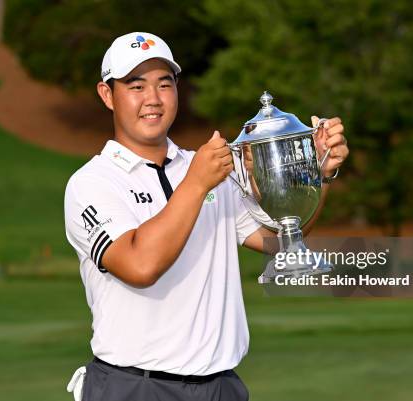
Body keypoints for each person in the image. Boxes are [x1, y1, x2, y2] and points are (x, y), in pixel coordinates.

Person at [64, 32, 348, 401]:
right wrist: (196, 185)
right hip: (135, 386)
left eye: (164, 84)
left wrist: (317, 174)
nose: (153, 99)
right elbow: (139, 265)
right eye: (136, 86)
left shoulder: (206, 168)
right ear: (107, 94)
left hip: (221, 387)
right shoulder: (92, 182)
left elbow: (276, 240)